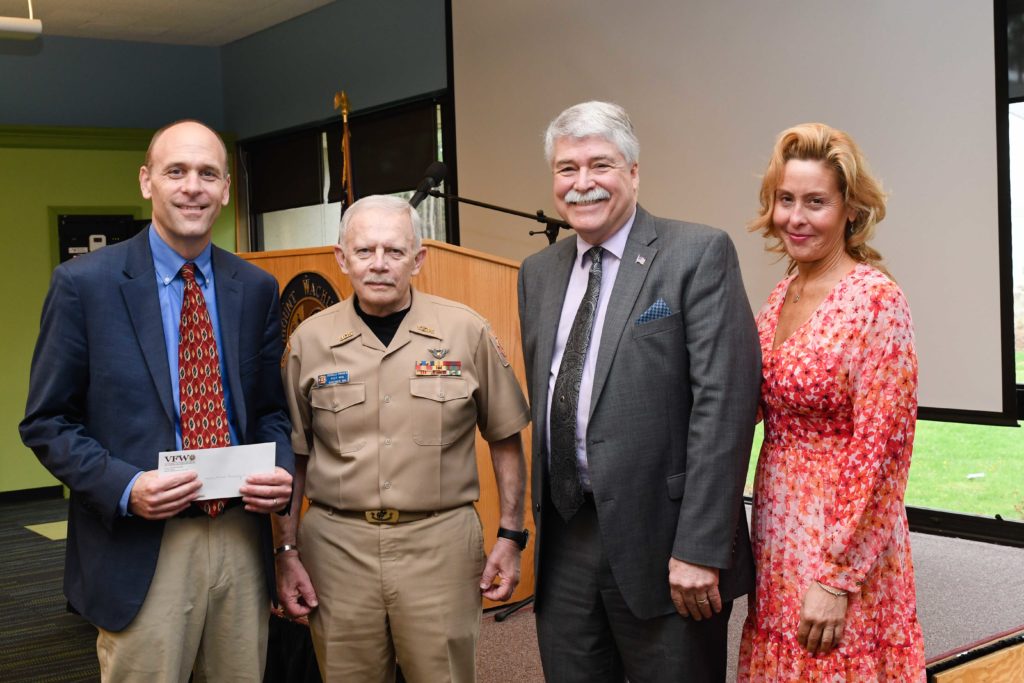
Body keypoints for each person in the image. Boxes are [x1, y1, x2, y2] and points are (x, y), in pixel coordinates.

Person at [19, 120, 295, 681]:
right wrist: (125, 487)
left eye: (207, 174)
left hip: (241, 536)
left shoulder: (256, 288)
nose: (192, 186)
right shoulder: (84, 285)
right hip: (142, 545)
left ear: (224, 191)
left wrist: (280, 468)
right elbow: (47, 421)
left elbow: (271, 409)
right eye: (176, 171)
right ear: (147, 182)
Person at [517, 101, 761, 682]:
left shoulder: (697, 253)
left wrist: (703, 547)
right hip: (566, 536)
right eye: (565, 169)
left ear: (633, 171)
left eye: (599, 164)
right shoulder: (538, 272)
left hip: (668, 541)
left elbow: (724, 408)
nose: (582, 184)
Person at [273, 194, 531, 683]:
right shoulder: (308, 341)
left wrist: (512, 535)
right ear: (341, 258)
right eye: (365, 251)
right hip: (337, 547)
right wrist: (285, 551)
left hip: (439, 544)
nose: (378, 264)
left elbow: (505, 437)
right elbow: (295, 457)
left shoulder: (465, 331)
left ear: (419, 258)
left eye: (394, 251)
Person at [737, 122, 926, 681]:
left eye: (815, 202)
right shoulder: (784, 291)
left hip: (840, 540)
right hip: (777, 525)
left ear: (849, 208)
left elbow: (883, 452)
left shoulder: (875, 301)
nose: (796, 217)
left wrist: (836, 577)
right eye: (785, 200)